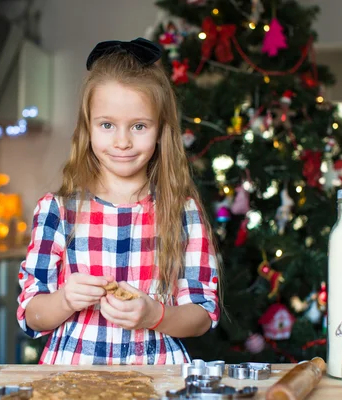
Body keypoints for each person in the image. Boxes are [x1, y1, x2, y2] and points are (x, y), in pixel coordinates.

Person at [16, 37, 220, 365]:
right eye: (107, 125)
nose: (122, 141)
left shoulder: (182, 211)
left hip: (157, 378)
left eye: (139, 126)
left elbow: (202, 316)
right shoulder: (58, 210)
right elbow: (31, 315)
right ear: (88, 129)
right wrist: (66, 299)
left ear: (160, 131)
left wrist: (155, 315)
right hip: (73, 380)